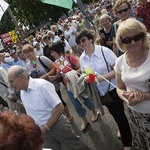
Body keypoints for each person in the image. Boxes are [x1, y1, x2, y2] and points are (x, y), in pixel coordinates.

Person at [7, 65, 90, 150]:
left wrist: (46, 127)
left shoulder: (41, 85)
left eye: (11, 81)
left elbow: (59, 107)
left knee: (77, 146)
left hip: (57, 126)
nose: (10, 85)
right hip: (42, 132)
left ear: (21, 77)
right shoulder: (22, 92)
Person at [76, 30, 132, 150]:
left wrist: (100, 78)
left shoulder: (103, 51)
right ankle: (120, 128)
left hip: (112, 88)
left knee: (120, 115)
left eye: (83, 40)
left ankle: (127, 143)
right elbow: (87, 74)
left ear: (90, 39)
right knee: (113, 113)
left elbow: (118, 70)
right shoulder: (82, 58)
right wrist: (86, 79)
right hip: (99, 93)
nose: (81, 43)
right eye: (78, 42)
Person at [114, 18, 150, 150]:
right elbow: (119, 87)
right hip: (134, 114)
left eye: (137, 37)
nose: (133, 42)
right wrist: (127, 100)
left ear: (143, 35)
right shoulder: (119, 61)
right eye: (127, 40)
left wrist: (143, 97)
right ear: (121, 42)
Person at [49, 41, 99, 132]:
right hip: (68, 86)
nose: (51, 54)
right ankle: (85, 120)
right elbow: (61, 73)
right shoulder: (57, 62)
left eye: (53, 52)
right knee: (76, 104)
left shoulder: (70, 57)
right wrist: (56, 76)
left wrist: (71, 74)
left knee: (86, 99)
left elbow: (81, 68)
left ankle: (94, 111)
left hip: (78, 83)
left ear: (59, 51)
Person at [22, 44, 73, 122]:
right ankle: (62, 119)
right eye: (26, 53)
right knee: (52, 106)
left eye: (29, 52)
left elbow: (54, 68)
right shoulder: (28, 66)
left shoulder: (42, 59)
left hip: (52, 85)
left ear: (33, 51)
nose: (28, 54)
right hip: (41, 89)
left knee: (59, 101)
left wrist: (44, 76)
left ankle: (69, 115)